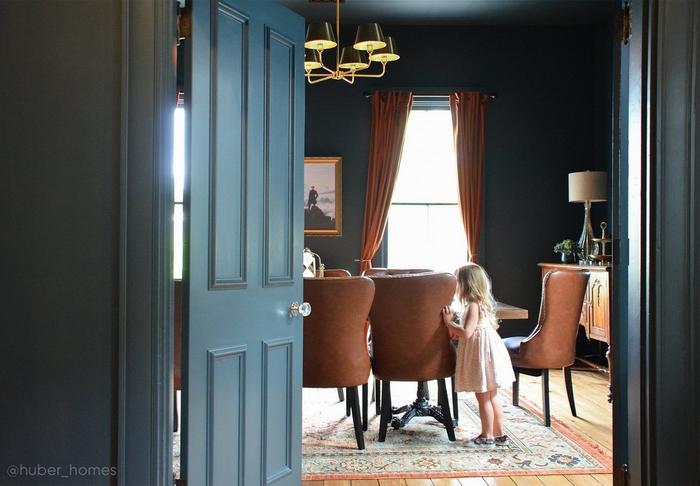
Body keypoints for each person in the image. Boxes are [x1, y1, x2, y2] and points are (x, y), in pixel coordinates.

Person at [442, 263, 516, 447]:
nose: (455, 286)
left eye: (456, 282)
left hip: (481, 352)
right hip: (489, 348)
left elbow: (467, 333)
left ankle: (486, 435)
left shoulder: (472, 305)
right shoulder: (479, 303)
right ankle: (499, 434)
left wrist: (449, 323)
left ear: (466, 284)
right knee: (492, 396)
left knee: (483, 397)